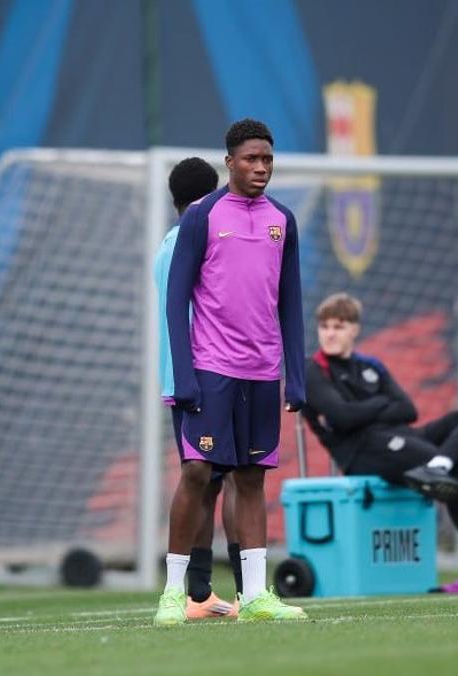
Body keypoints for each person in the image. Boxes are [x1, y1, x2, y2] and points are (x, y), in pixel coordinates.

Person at [157, 119, 307, 625]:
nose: (261, 167)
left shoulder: (282, 220)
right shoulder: (202, 216)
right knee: (197, 472)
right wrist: (183, 375)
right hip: (211, 367)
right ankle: (173, 594)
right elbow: (176, 300)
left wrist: (296, 374)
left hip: (262, 372)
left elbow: (290, 303)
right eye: (251, 159)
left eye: (267, 159)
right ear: (230, 162)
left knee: (251, 477)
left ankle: (257, 594)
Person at [302, 292, 458, 590]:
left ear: (355, 329)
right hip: (363, 451)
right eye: (325, 326)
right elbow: (344, 418)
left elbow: (408, 410)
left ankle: (440, 464)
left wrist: (367, 409)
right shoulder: (312, 370)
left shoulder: (370, 366)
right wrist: (381, 403)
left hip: (401, 436)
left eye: (339, 326)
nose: (330, 333)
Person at [154, 157, 240, 620]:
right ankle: (215, 590)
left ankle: (202, 592)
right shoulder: (190, 244)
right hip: (204, 375)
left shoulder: (171, 243)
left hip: (196, 374)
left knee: (213, 482)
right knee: (211, 477)